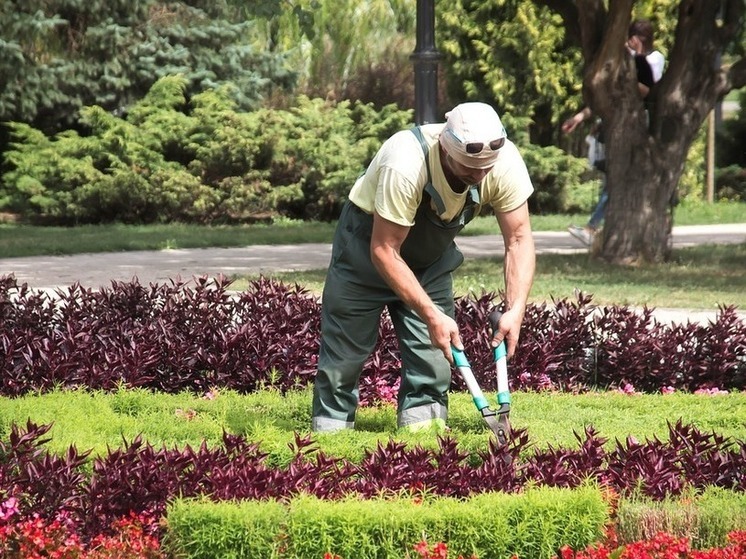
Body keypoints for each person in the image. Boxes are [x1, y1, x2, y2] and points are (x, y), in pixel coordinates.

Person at [311, 102, 535, 433]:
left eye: (486, 169)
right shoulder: (406, 161)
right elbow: (384, 249)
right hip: (366, 254)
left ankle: (423, 444)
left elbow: (518, 239)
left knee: (433, 361)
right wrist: (431, 314)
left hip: (429, 262)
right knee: (344, 359)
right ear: (446, 148)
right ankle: (330, 442)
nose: (480, 175)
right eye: (470, 168)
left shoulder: (502, 162)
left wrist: (515, 308)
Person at [564, 19, 665, 247]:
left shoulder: (653, 59)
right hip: (618, 125)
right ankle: (595, 228)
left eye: (634, 39)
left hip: (640, 122)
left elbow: (646, 89)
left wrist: (635, 60)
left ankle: (593, 227)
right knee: (614, 177)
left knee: (617, 180)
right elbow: (610, 95)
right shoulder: (628, 61)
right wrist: (579, 117)